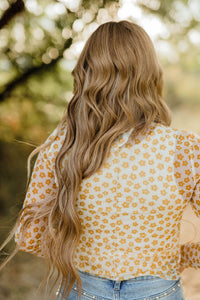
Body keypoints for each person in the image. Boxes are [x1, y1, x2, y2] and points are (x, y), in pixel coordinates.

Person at [1, 20, 200, 300]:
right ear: (151, 73)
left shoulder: (64, 144)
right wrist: (181, 254)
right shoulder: (185, 148)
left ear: (86, 72)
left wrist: (75, 249)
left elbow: (30, 237)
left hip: (82, 291)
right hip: (159, 292)